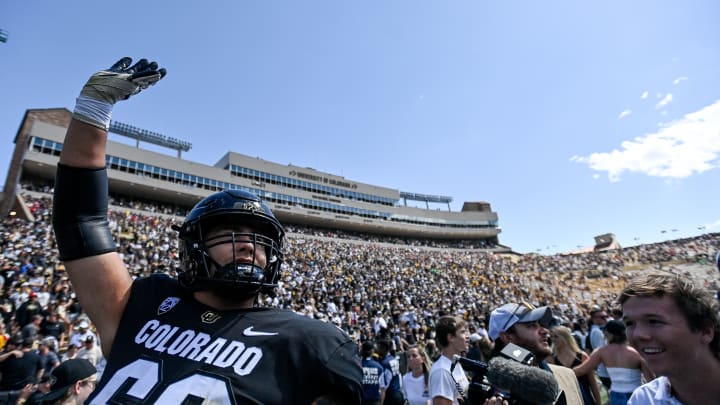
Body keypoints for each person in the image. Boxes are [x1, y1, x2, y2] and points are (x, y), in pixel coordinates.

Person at [51, 57, 362, 404]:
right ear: (192, 246)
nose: (248, 246)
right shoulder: (144, 304)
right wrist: (94, 108)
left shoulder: (310, 344)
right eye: (230, 231)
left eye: (260, 239)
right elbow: (80, 222)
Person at [621, 271, 720, 404]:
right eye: (629, 324)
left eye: (654, 321)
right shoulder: (643, 400)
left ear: (705, 331)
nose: (638, 334)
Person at [486, 302, 583, 405]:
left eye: (540, 325)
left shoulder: (568, 376)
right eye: (531, 325)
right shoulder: (488, 389)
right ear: (507, 337)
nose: (545, 331)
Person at [573, 319, 654, 405]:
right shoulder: (635, 352)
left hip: (616, 395)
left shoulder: (602, 352)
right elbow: (651, 379)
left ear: (610, 334)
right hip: (637, 394)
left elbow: (581, 370)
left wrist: (563, 372)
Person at [549, 325, 600, 405]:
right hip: (567, 399)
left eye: (556, 337)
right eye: (551, 337)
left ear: (565, 337)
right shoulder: (551, 358)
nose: (553, 340)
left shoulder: (582, 356)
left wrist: (598, 402)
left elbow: (593, 383)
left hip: (585, 397)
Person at [428, 315, 470, 405]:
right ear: (451, 337)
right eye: (463, 332)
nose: (468, 336)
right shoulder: (442, 371)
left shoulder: (455, 363)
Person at [588, 306, 611, 390]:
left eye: (606, 316)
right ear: (594, 319)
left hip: (605, 369)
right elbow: (603, 352)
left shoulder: (598, 330)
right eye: (602, 317)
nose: (605, 319)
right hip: (606, 371)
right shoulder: (597, 332)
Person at [376, 339, 404, 405]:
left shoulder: (385, 363)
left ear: (384, 348)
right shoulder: (393, 358)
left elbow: (386, 383)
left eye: (379, 347)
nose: (377, 349)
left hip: (390, 395)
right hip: (398, 391)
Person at [361, 341, 386, 405]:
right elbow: (382, 388)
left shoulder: (356, 366)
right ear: (372, 351)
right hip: (375, 402)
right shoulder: (379, 367)